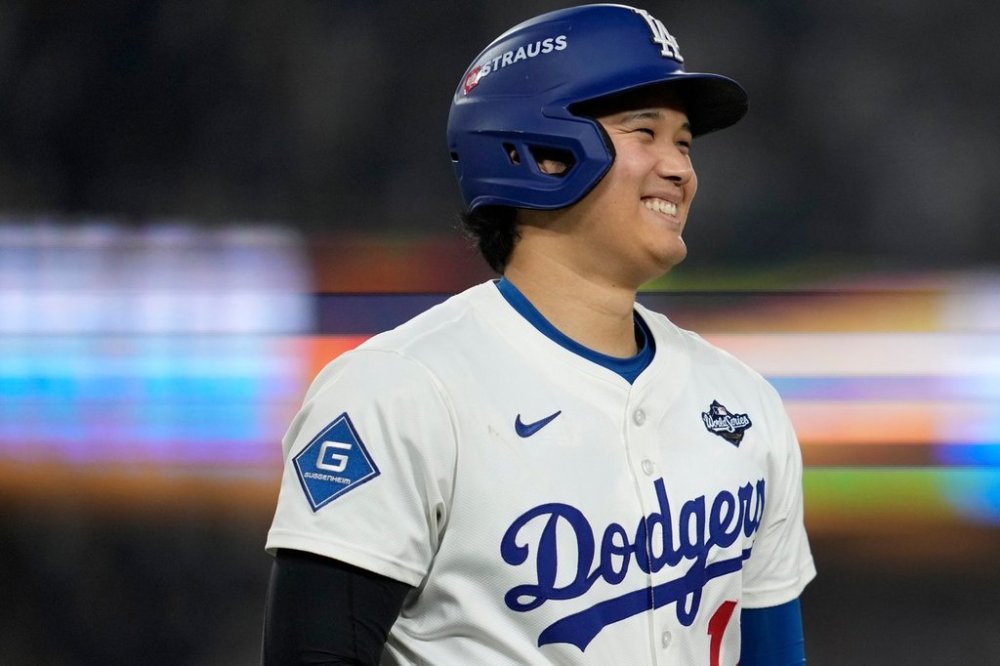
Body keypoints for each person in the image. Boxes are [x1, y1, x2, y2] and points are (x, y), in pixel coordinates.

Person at [262, 4, 816, 665]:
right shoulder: (400, 390)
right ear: (544, 154)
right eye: (646, 133)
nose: (680, 170)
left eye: (685, 143)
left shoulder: (745, 403)